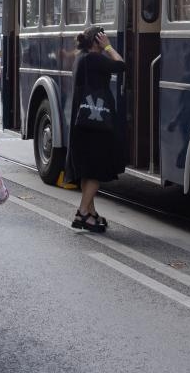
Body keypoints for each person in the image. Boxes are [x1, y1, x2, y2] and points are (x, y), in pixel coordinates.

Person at [65, 25, 125, 231]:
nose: (107, 41)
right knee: (96, 170)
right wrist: (108, 47)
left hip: (82, 122)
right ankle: (82, 212)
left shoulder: (80, 58)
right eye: (104, 38)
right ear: (97, 40)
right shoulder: (95, 59)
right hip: (96, 124)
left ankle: (91, 213)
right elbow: (121, 65)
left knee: (87, 171)